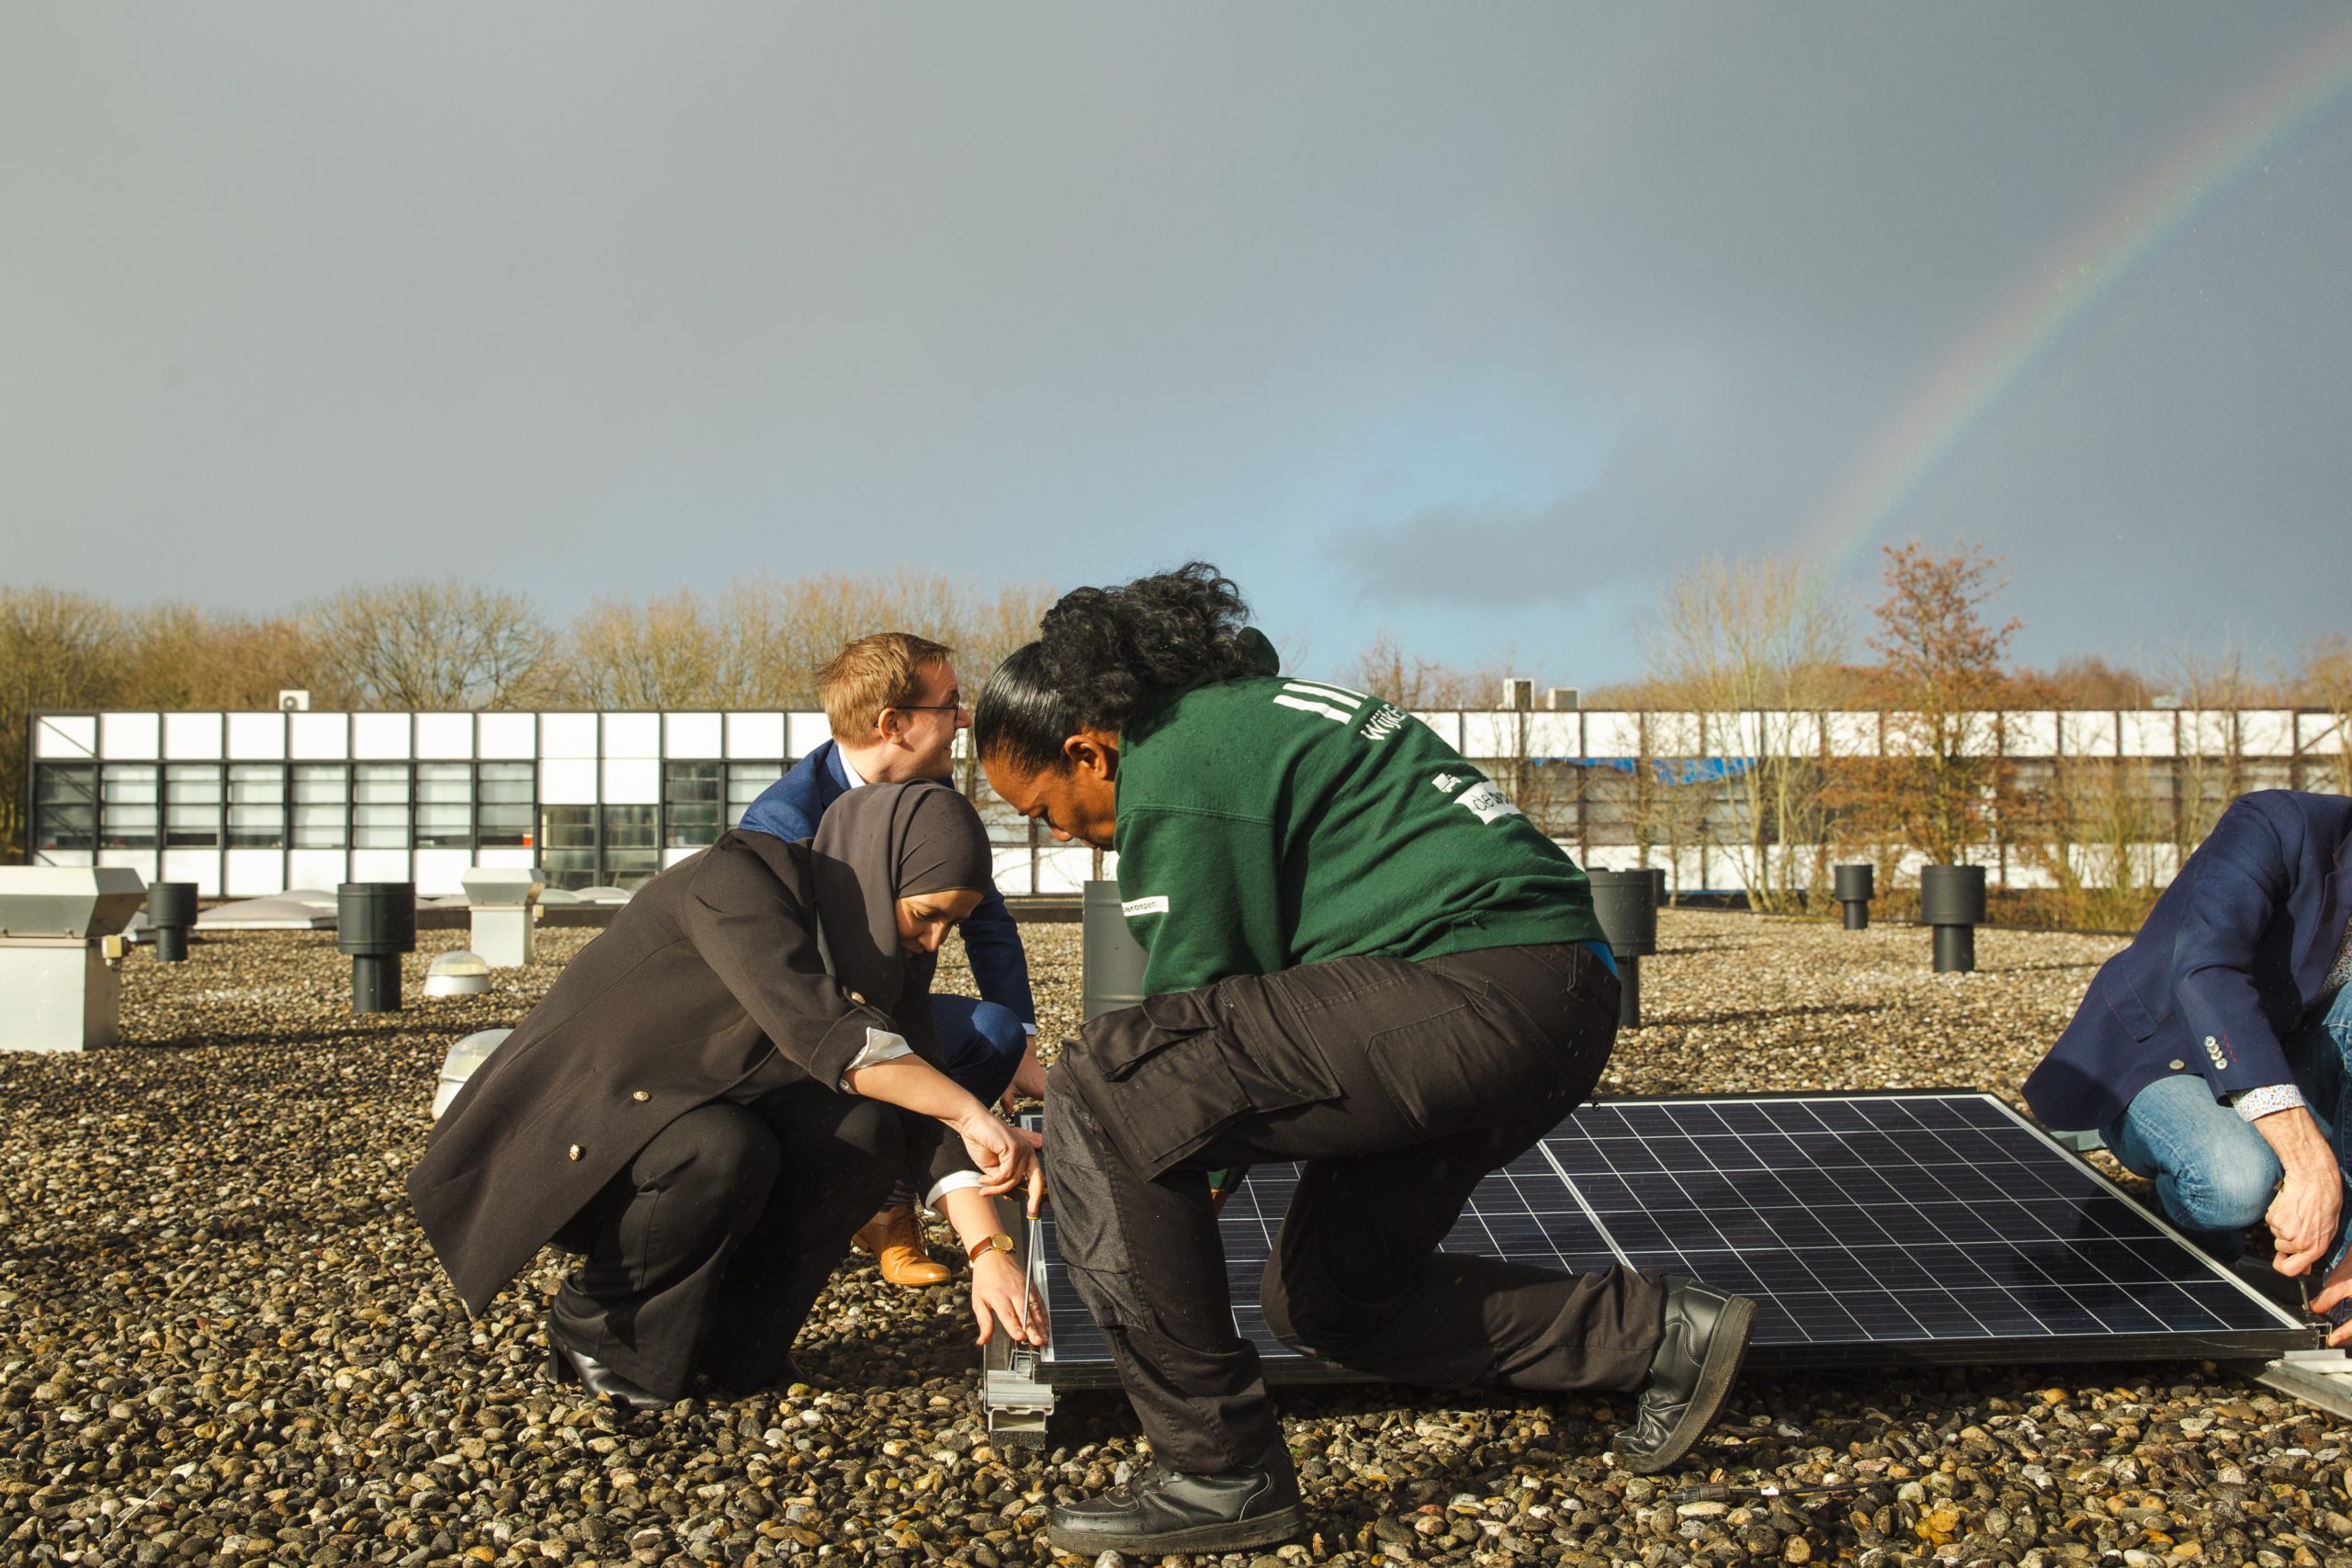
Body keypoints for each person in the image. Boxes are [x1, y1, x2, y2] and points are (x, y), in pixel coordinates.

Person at [974, 563, 1757, 1556]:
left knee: (1100, 1087)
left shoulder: (1179, 769)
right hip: (1546, 999)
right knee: (1329, 1300)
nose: (1070, 840)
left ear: (1088, 750)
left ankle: (1219, 1475)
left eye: (1045, 810)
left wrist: (1105, 1172)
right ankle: (1657, 1337)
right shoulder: (1248, 714)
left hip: (1477, 989)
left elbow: (1184, 1030)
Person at [409, 782, 1046, 1408]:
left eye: (951, 925)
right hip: (581, 1146)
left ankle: (736, 1342)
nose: (934, 940)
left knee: (865, 1132)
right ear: (880, 868)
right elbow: (828, 1034)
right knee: (721, 1146)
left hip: (682, 1122)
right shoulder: (738, 882)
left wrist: (989, 1252)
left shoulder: (885, 943)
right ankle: (600, 1330)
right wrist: (971, 1112)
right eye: (927, 914)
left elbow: (922, 1115)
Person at [738, 632, 1047, 1290]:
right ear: (893, 724)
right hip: (799, 1035)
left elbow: (987, 919)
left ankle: (898, 1187)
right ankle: (874, 1201)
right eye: (952, 703)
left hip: (885, 1010)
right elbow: (798, 1003)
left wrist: (1022, 1043)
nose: (965, 718)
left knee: (992, 1032)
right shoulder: (783, 829)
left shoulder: (931, 799)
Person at [2025, 788, 2352, 1338]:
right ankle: (2176, 1237)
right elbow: (2207, 972)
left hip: (2294, 1051)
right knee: (2232, 1183)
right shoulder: (2277, 823)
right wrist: (2309, 1164)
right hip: (2167, 1052)